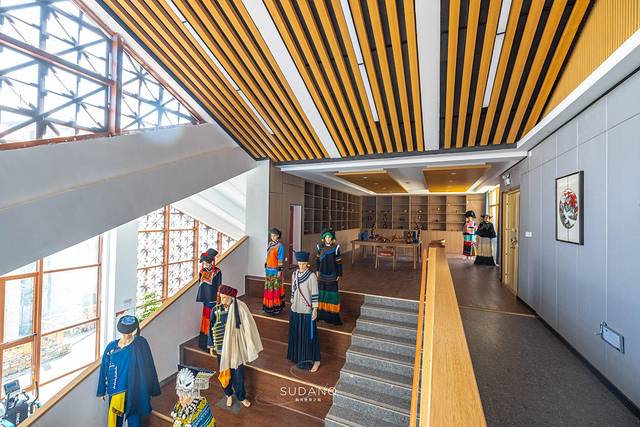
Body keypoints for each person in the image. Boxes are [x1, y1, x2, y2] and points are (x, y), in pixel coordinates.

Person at [97, 315, 161, 427]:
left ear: (134, 330)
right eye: (124, 333)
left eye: (130, 332)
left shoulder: (140, 344)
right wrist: (101, 390)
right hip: (117, 391)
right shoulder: (111, 347)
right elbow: (104, 368)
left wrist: (151, 387)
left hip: (135, 391)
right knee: (115, 420)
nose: (127, 335)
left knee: (134, 420)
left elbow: (149, 365)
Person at [209, 285, 263, 408]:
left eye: (224, 298)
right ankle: (228, 394)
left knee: (238, 374)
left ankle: (241, 396)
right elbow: (211, 327)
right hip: (221, 348)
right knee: (224, 372)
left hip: (235, 347)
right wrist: (211, 345)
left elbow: (247, 326)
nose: (221, 300)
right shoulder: (216, 310)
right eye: (220, 297)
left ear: (230, 297)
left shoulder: (239, 308)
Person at [287, 251, 320, 372]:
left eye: (303, 264)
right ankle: (298, 357)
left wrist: (315, 309)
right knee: (296, 333)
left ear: (307, 264)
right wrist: (292, 300)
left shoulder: (312, 276)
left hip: (307, 310)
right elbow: (293, 289)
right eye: (299, 263)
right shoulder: (294, 274)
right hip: (295, 308)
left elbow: (315, 293)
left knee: (309, 336)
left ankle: (314, 360)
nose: (301, 266)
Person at [315, 230, 343, 325]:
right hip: (322, 274)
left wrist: (339, 274)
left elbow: (339, 262)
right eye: (326, 237)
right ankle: (321, 315)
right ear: (324, 238)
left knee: (332, 294)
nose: (328, 239)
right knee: (322, 293)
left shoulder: (336, 248)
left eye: (329, 237)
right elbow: (317, 260)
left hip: (332, 274)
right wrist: (317, 270)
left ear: (332, 238)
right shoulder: (319, 247)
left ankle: (332, 317)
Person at [196, 248, 221, 351]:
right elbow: (200, 285)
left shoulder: (217, 272)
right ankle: (204, 343)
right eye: (204, 263)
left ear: (211, 262)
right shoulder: (202, 272)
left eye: (207, 262)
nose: (205, 264)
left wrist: (218, 299)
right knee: (205, 320)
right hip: (205, 300)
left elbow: (219, 286)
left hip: (213, 300)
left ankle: (212, 344)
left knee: (212, 320)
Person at [263, 227, 285, 315]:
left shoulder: (280, 246)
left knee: (275, 288)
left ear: (278, 236)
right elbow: (268, 255)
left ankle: (276, 307)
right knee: (269, 288)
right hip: (268, 269)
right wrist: (266, 264)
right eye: (271, 235)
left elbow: (280, 259)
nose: (272, 237)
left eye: (274, 235)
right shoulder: (270, 244)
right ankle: (268, 306)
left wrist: (279, 270)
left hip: (276, 270)